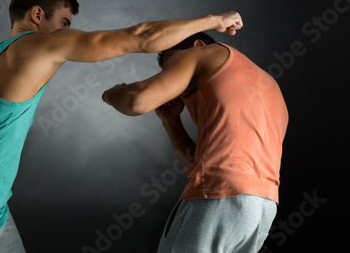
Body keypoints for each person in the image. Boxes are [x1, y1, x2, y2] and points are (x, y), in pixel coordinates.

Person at [0, 0, 242, 253]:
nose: (67, 32)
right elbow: (139, 37)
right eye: (63, 22)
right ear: (37, 15)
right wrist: (213, 21)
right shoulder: (36, 45)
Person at [102, 32, 289, 252]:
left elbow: (136, 101)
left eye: (172, 67)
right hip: (261, 206)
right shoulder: (268, 84)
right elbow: (200, 169)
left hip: (219, 198)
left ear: (198, 45)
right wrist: (171, 121)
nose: (172, 80)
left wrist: (111, 94)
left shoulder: (202, 53)